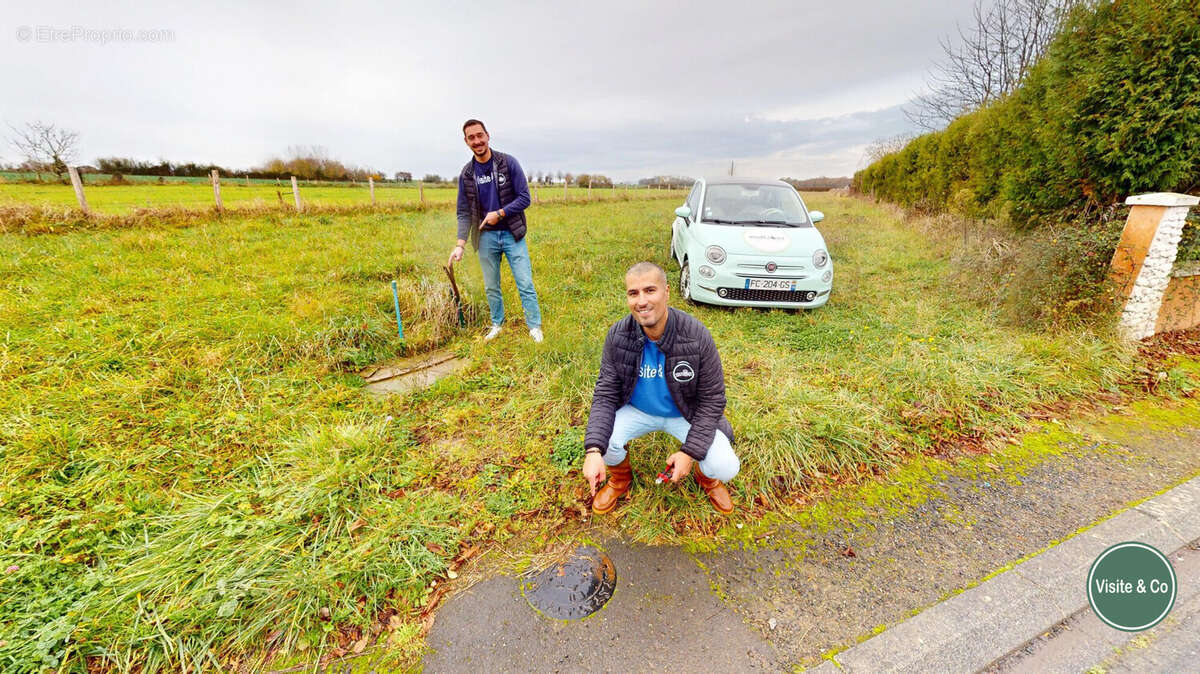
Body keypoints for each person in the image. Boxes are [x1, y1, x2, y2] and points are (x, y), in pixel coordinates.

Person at [582, 261, 739, 514]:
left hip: (684, 413)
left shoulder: (696, 335)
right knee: (605, 442)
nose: (641, 301)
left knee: (726, 466)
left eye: (650, 290)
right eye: (633, 293)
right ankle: (620, 479)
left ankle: (706, 477)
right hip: (637, 411)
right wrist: (592, 450)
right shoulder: (618, 335)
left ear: (667, 292)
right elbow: (605, 394)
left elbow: (712, 399)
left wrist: (689, 453)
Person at [448, 119, 544, 343]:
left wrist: (499, 213)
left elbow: (524, 198)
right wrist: (460, 244)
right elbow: (463, 212)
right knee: (491, 285)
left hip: (512, 233)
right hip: (486, 238)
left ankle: (534, 326)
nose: (477, 141)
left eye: (480, 135)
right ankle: (497, 324)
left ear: (487, 136)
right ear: (466, 142)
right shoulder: (467, 174)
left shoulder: (508, 163)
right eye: (471, 138)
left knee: (525, 282)